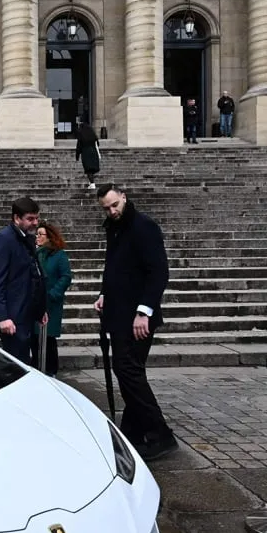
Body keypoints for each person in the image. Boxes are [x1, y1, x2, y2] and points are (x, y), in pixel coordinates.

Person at [93, 184, 176, 459]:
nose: (112, 211)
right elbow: (114, 266)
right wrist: (104, 294)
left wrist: (145, 311)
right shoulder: (115, 228)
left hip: (137, 317)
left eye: (115, 205)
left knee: (127, 369)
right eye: (106, 207)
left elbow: (159, 271)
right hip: (118, 313)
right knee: (130, 371)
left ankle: (159, 433)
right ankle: (133, 429)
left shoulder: (143, 226)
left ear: (124, 198)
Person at [0, 197, 46, 363]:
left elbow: (33, 275)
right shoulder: (3, 239)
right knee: (17, 362)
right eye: (30, 219)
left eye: (37, 218)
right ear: (16, 218)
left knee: (23, 360)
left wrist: (40, 308)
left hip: (25, 311)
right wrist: (3, 317)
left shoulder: (26, 237)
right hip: (12, 314)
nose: (35, 223)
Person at [32, 221, 73, 377]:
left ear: (49, 237)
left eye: (41, 234)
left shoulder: (59, 255)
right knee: (35, 338)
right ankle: (37, 369)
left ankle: (50, 371)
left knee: (48, 338)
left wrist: (54, 294)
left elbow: (66, 277)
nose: (37, 237)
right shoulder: (35, 253)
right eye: (37, 234)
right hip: (36, 302)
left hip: (51, 302)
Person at [75, 122, 102, 189]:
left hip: (86, 153)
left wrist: (77, 156)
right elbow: (97, 144)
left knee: (88, 169)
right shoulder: (92, 134)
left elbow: (79, 146)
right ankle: (91, 182)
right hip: (94, 152)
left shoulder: (81, 134)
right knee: (91, 169)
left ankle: (92, 184)